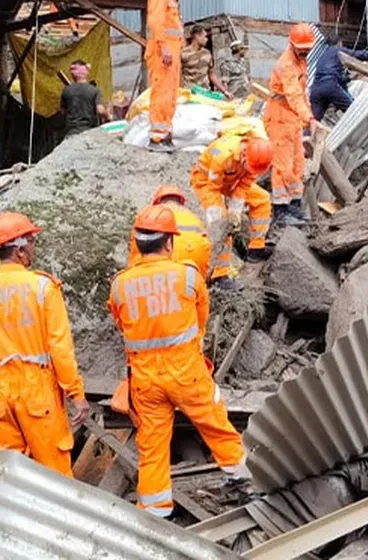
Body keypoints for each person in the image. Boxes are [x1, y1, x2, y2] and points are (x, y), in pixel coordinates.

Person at [107, 205, 249, 517]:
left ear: (137, 243)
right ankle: (245, 479)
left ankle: (156, 509)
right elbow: (200, 321)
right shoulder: (187, 275)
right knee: (216, 425)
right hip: (186, 372)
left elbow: (122, 325)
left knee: (152, 444)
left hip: (144, 378)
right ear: (170, 242)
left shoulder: (120, 284)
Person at [0, 212, 89, 476]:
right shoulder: (42, 288)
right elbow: (60, 347)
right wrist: (76, 394)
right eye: (32, 243)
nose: (34, 249)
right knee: (55, 474)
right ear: (20, 249)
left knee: (6, 478)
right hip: (37, 391)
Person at [189, 135, 273, 288]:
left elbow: (243, 186)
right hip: (206, 181)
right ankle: (219, 275)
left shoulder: (256, 159)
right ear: (243, 155)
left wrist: (235, 212)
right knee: (222, 224)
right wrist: (225, 217)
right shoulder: (222, 155)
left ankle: (256, 248)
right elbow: (213, 188)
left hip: (232, 180)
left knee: (262, 199)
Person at [263, 23, 319, 221]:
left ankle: (295, 204)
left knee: (297, 162)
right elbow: (294, 94)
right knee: (282, 165)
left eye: (307, 50)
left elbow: (303, 93)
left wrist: (309, 116)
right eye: (302, 50)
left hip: (292, 117)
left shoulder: (300, 60)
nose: (305, 53)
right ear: (292, 45)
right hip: (279, 116)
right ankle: (281, 209)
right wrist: (309, 118)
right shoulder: (287, 64)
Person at [145, 0, 194, 151]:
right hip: (162, 54)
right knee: (162, 93)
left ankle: (165, 134)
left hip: (170, 55)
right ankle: (157, 137)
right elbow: (155, 23)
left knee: (170, 94)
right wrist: (164, 47)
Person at [127, 185, 212, 280]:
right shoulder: (194, 217)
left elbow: (136, 247)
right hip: (196, 266)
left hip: (167, 262)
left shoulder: (150, 216)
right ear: (180, 201)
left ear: (157, 202)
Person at [309, 36, 368, 121]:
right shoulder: (338, 50)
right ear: (339, 43)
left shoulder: (322, 56)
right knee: (353, 110)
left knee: (313, 120)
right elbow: (358, 55)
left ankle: (305, 134)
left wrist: (348, 78)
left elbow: (336, 78)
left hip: (315, 89)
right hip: (330, 86)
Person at [59, 61, 109, 137]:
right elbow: (100, 110)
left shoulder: (66, 91)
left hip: (71, 133)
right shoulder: (93, 90)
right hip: (89, 131)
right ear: (86, 73)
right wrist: (108, 116)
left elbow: (63, 111)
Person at [180, 25, 230, 97]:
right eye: (205, 36)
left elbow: (211, 75)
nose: (207, 39)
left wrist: (224, 91)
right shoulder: (183, 53)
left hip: (205, 93)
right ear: (197, 36)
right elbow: (177, 74)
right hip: (190, 94)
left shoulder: (207, 53)